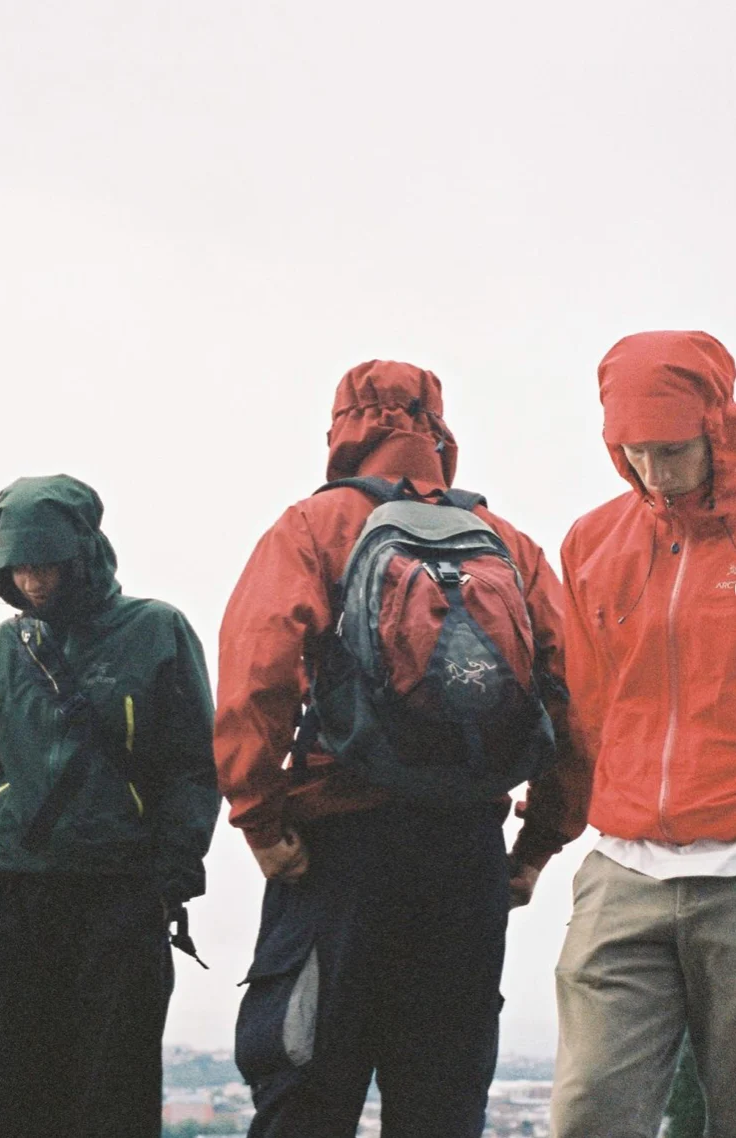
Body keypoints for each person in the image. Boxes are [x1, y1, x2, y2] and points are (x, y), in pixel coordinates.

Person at [214, 360, 584, 1138]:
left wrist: (260, 821)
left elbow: (257, 675)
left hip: (337, 855)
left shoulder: (313, 528)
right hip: (465, 857)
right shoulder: (506, 540)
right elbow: (574, 704)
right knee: (442, 1107)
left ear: (343, 431)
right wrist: (536, 845)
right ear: (440, 433)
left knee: (305, 1097)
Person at [0, 474, 220, 1138]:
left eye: (47, 563)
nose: (33, 581)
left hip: (116, 896)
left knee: (110, 1096)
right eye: (19, 566)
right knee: (2, 1093)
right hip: (5, 898)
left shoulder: (156, 632)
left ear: (83, 554)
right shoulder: (2, 650)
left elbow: (193, 765)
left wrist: (170, 878)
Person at [551, 330, 736, 1137]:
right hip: (623, 873)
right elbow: (582, 711)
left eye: (672, 450)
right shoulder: (594, 542)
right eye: (634, 453)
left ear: (717, 428)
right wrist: (542, 841)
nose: (654, 474)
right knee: (591, 1112)